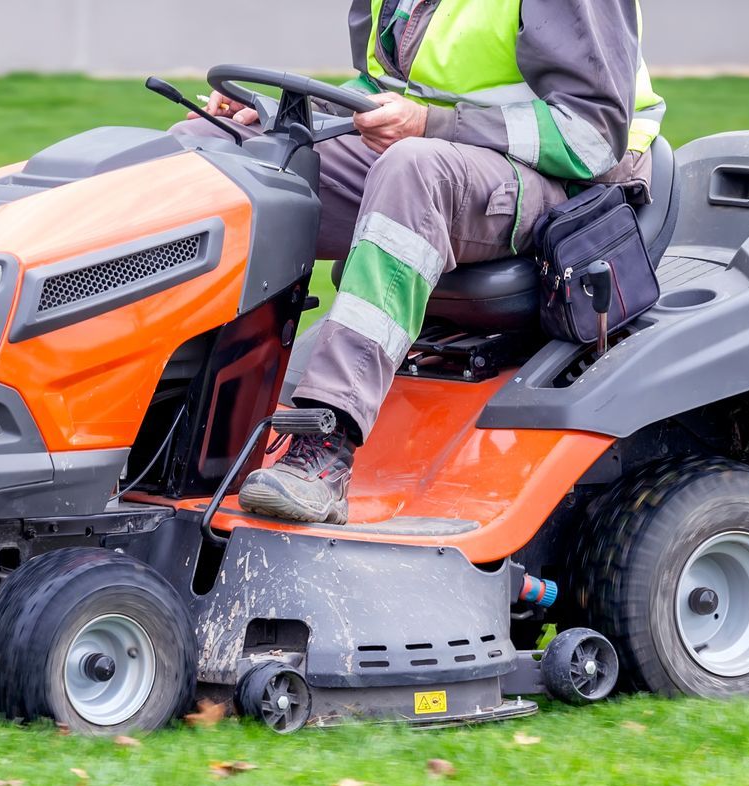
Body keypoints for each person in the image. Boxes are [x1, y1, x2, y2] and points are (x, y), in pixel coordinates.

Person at [180, 0, 666, 525]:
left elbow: (589, 137)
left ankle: (324, 450)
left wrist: (431, 125)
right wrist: (282, 120)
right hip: (443, 147)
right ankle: (171, 422)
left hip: (569, 186)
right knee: (216, 153)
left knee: (413, 170)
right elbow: (387, 92)